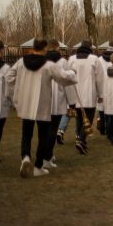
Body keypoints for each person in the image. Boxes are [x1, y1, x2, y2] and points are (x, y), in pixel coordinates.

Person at [6, 38, 77, 178]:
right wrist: (73, 73)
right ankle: (38, 166)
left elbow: (8, 76)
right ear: (45, 48)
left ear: (33, 47)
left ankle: (25, 156)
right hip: (42, 104)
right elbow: (63, 77)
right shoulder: (48, 65)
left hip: (26, 103)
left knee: (27, 133)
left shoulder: (21, 62)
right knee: (43, 135)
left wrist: (17, 92)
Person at [67, 40, 104, 154]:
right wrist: (101, 94)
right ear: (90, 48)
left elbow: (68, 75)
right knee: (89, 118)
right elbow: (99, 79)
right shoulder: (94, 59)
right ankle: (81, 139)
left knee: (79, 117)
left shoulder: (72, 59)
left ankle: (79, 138)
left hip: (75, 93)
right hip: (89, 93)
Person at [43, 40, 70, 169]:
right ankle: (47, 156)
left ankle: (46, 153)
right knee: (53, 129)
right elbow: (67, 80)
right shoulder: (63, 62)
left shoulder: (42, 61)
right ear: (58, 48)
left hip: (45, 98)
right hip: (58, 97)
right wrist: (72, 102)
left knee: (45, 129)